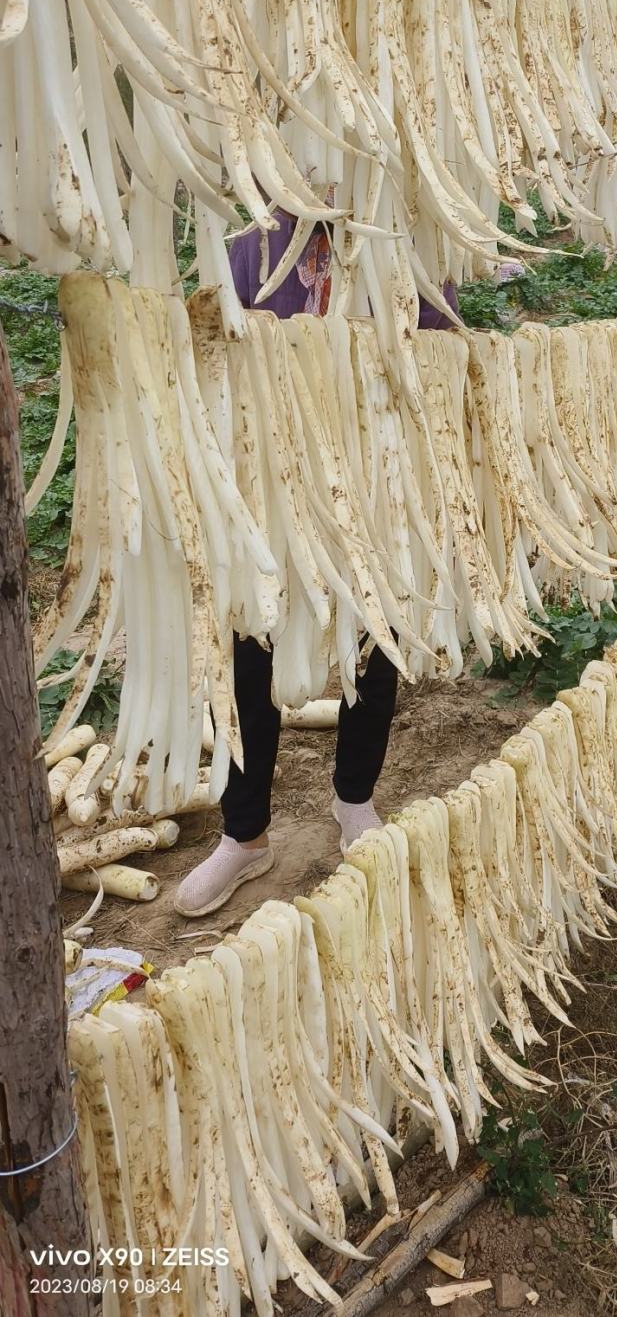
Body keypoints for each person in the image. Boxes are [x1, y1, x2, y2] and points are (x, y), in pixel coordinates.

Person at [175, 209, 460, 918]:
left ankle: (354, 798)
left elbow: (441, 346)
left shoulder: (404, 230)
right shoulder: (253, 236)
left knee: (376, 630)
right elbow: (218, 344)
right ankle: (245, 834)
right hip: (272, 475)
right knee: (250, 638)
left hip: (376, 468)